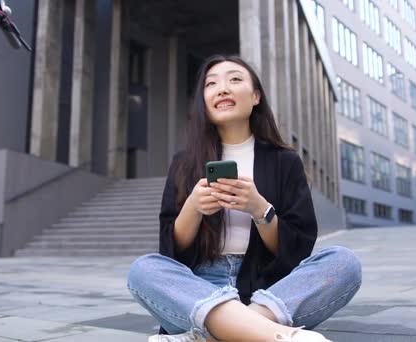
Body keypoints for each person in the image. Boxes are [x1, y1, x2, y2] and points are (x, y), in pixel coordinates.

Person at [127, 54, 362, 342]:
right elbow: (172, 249)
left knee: (343, 263)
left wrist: (259, 209)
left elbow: (297, 248)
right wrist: (193, 207)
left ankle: (212, 334)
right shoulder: (184, 162)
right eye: (211, 84)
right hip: (201, 286)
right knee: (144, 269)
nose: (222, 89)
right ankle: (274, 335)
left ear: (255, 96)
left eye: (235, 79)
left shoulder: (284, 160)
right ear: (204, 101)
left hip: (269, 291)